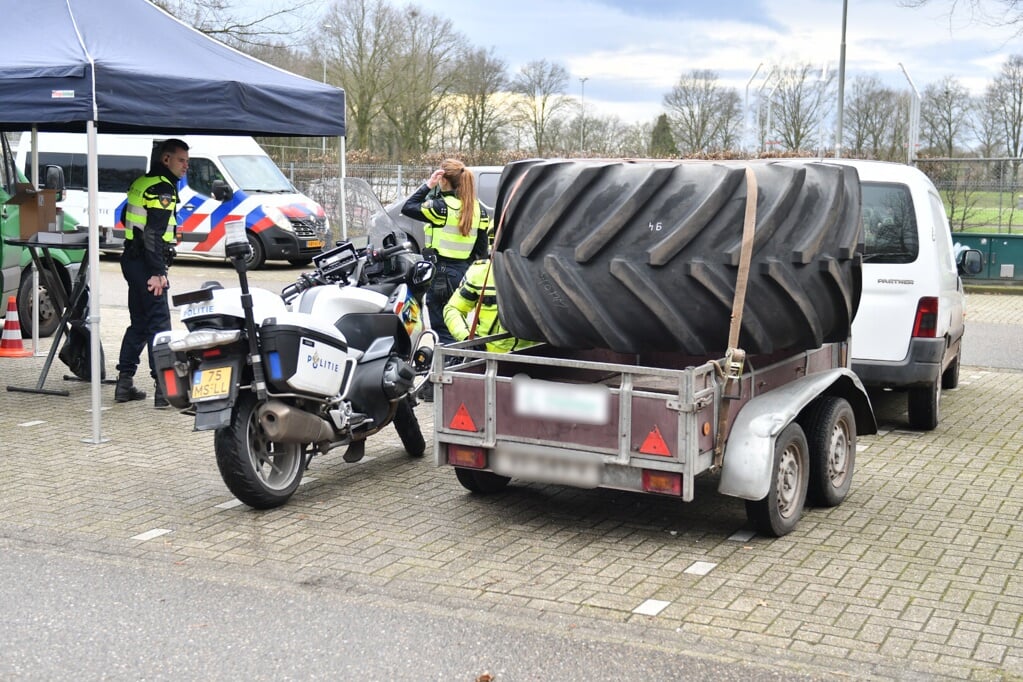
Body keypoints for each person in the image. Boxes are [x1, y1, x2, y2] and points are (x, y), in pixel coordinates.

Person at [114, 138, 189, 408]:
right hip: (148, 264)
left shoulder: (142, 182)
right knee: (159, 326)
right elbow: (154, 234)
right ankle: (164, 390)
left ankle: (124, 383)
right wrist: (157, 272)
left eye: (187, 162)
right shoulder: (161, 188)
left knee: (140, 323)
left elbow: (126, 217)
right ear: (166, 159)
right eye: (181, 160)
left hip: (132, 260)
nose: (185, 167)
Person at [401, 159, 491, 345]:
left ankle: (449, 364)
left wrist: (428, 185)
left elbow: (408, 207)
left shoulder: (440, 207)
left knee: (441, 326)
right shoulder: (478, 209)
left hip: (441, 273)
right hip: (465, 273)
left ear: (443, 179)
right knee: (459, 321)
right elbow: (481, 250)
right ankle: (462, 359)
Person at [443, 257, 534, 353]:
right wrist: (466, 336)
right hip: (487, 357)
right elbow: (453, 309)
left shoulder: (542, 274)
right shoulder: (480, 272)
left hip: (536, 356)